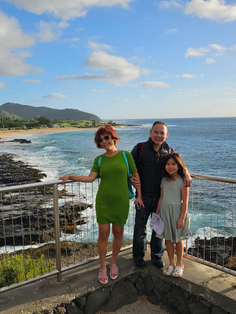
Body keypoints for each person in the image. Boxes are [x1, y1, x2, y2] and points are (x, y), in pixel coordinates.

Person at [59, 125, 143, 284]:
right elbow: (90, 178)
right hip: (104, 201)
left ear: (113, 137)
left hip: (121, 201)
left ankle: (113, 262)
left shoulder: (125, 155)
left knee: (118, 233)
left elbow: (136, 177)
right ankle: (103, 266)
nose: (104, 141)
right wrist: (70, 176)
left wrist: (139, 196)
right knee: (103, 234)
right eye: (101, 140)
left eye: (106, 137)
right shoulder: (99, 159)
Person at [131, 121, 191, 268]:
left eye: (162, 133)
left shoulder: (168, 150)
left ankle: (156, 256)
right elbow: (130, 167)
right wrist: (131, 179)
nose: (159, 135)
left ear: (166, 135)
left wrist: (187, 175)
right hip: (143, 196)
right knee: (140, 228)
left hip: (161, 197)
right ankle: (138, 256)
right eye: (156, 132)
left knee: (159, 229)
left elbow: (179, 165)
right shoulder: (139, 148)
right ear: (150, 133)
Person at [156, 153, 191, 277]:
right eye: (168, 164)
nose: (170, 167)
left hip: (177, 213)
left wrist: (182, 217)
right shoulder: (164, 180)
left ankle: (179, 264)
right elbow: (161, 197)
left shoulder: (183, 181)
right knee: (168, 240)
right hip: (165, 212)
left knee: (178, 240)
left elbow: (185, 201)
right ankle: (171, 263)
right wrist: (158, 213)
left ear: (179, 165)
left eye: (174, 164)